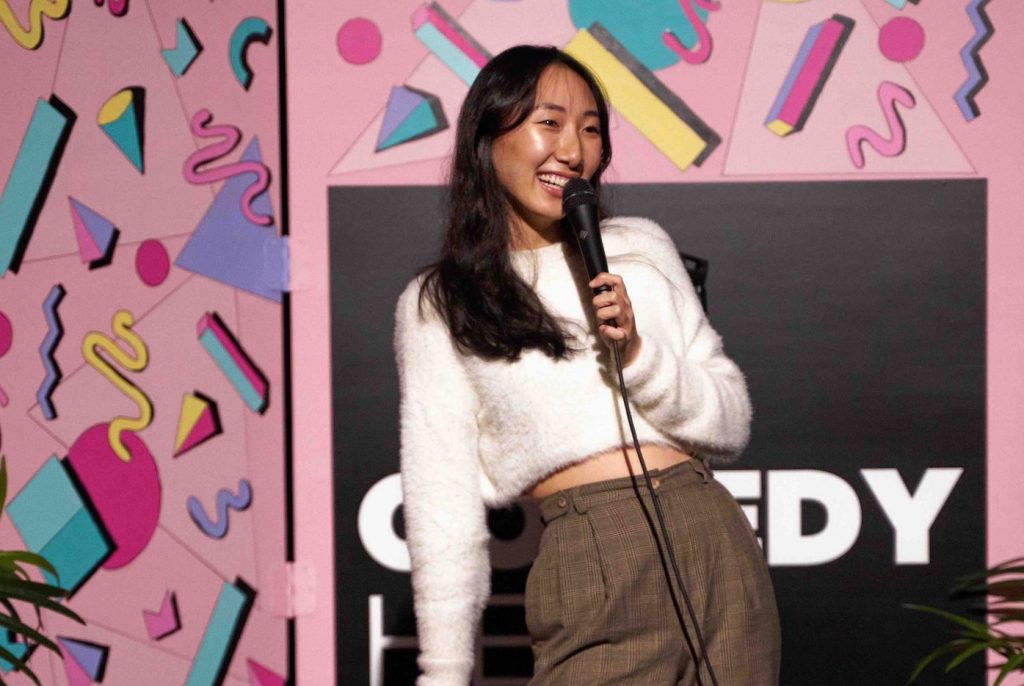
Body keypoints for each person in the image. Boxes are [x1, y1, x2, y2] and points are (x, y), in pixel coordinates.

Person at [394, 44, 780, 686]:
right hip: (593, 551)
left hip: (713, 533)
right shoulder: (441, 301)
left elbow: (731, 422)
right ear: (488, 138)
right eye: (549, 122)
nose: (572, 150)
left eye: (591, 129)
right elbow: (442, 505)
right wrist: (443, 673)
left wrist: (638, 355)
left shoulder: (642, 247)